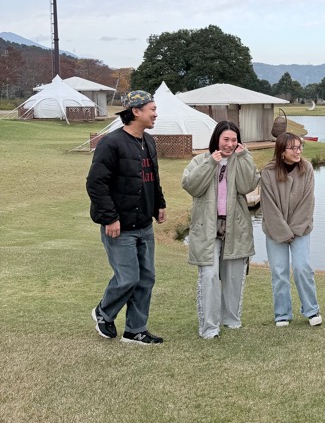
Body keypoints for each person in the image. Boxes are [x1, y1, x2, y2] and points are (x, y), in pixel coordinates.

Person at [86, 89, 167, 344]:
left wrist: (159, 204)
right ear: (136, 111)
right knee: (128, 277)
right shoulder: (111, 143)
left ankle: (135, 330)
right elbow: (96, 184)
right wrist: (110, 218)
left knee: (146, 279)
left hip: (144, 224)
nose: (156, 114)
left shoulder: (148, 141)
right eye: (152, 109)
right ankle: (104, 312)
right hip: (120, 227)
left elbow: (152, 177)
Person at [181, 121, 259, 340]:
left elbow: (247, 186)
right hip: (207, 227)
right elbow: (191, 186)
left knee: (233, 276)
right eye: (226, 139)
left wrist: (244, 157)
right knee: (209, 275)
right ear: (216, 139)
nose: (230, 144)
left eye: (234, 140)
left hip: (236, 226)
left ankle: (231, 319)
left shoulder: (241, 159)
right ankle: (209, 327)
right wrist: (210, 164)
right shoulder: (201, 160)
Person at [260, 132, 322, 328]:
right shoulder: (268, 173)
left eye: (299, 147)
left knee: (302, 267)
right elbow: (269, 207)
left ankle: (311, 309)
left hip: (301, 229)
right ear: (281, 151)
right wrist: (283, 232)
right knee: (279, 272)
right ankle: (282, 313)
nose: (298, 151)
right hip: (275, 230)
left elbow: (308, 202)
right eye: (293, 148)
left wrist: (294, 230)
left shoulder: (307, 168)